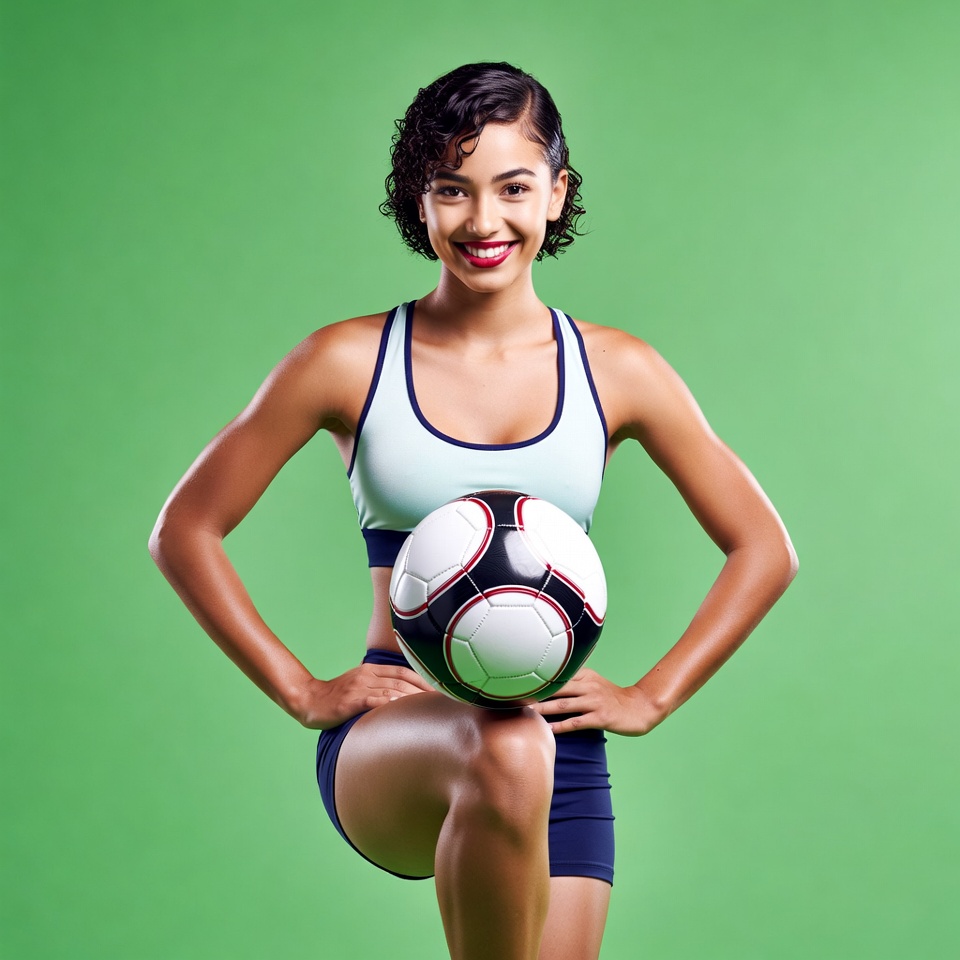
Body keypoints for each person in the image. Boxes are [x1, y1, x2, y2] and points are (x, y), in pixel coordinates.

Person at [149, 62, 798, 960]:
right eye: (452, 189)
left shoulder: (619, 371)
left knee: (520, 748)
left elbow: (764, 547)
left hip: (555, 747)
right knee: (503, 746)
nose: (483, 221)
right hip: (396, 734)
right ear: (419, 200)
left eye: (513, 187)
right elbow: (185, 529)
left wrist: (653, 695)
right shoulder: (347, 360)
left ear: (557, 193)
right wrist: (302, 689)